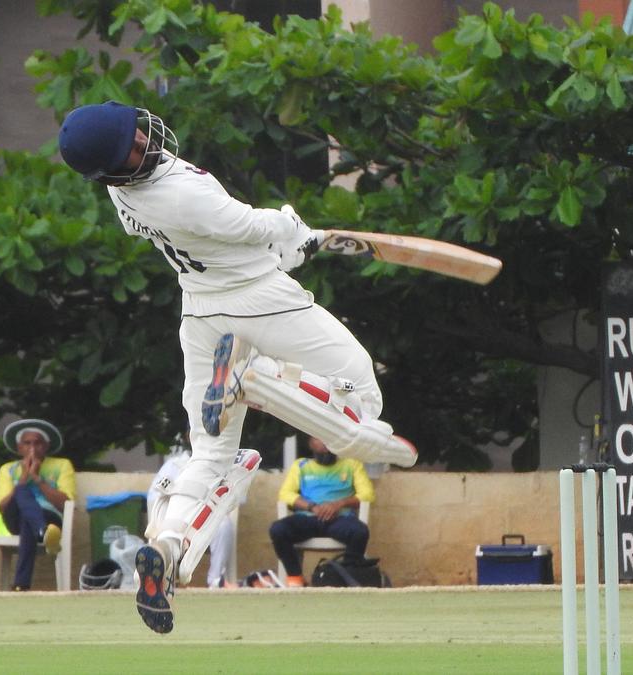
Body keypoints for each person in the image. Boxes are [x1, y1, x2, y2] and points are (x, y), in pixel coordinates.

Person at [57, 101, 416, 633]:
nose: (142, 143)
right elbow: (249, 226)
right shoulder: (180, 194)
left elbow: (224, 239)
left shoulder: (121, 192)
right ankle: (259, 381)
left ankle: (167, 545)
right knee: (363, 398)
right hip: (259, 300)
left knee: (213, 453)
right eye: (130, 148)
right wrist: (293, 229)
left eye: (135, 134)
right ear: (112, 168)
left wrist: (286, 247)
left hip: (202, 315)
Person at [270, 437, 375, 587]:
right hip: (307, 519)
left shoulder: (351, 464)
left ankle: (346, 576)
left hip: (339, 519)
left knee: (360, 532)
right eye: (320, 439)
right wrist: (312, 507)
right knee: (278, 530)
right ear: (310, 443)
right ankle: (295, 577)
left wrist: (339, 504)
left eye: (329, 438)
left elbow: (367, 494)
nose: (326, 444)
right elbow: (285, 494)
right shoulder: (301, 465)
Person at [149, 441, 253, 588]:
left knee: (224, 525)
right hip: (176, 522)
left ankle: (216, 580)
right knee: (167, 533)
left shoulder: (227, 464)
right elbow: (155, 496)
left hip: (207, 521)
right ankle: (160, 576)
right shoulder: (175, 464)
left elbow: (238, 497)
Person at [0, 418, 75, 591]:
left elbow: (65, 504)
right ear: (19, 448)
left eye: (38, 443)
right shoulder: (7, 469)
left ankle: (21, 584)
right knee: (22, 491)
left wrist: (38, 479)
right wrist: (24, 478)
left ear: (46, 446)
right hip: (14, 518)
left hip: (50, 518)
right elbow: (2, 507)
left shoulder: (62, 465)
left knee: (27, 520)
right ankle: (42, 531)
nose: (32, 448)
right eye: (27, 443)